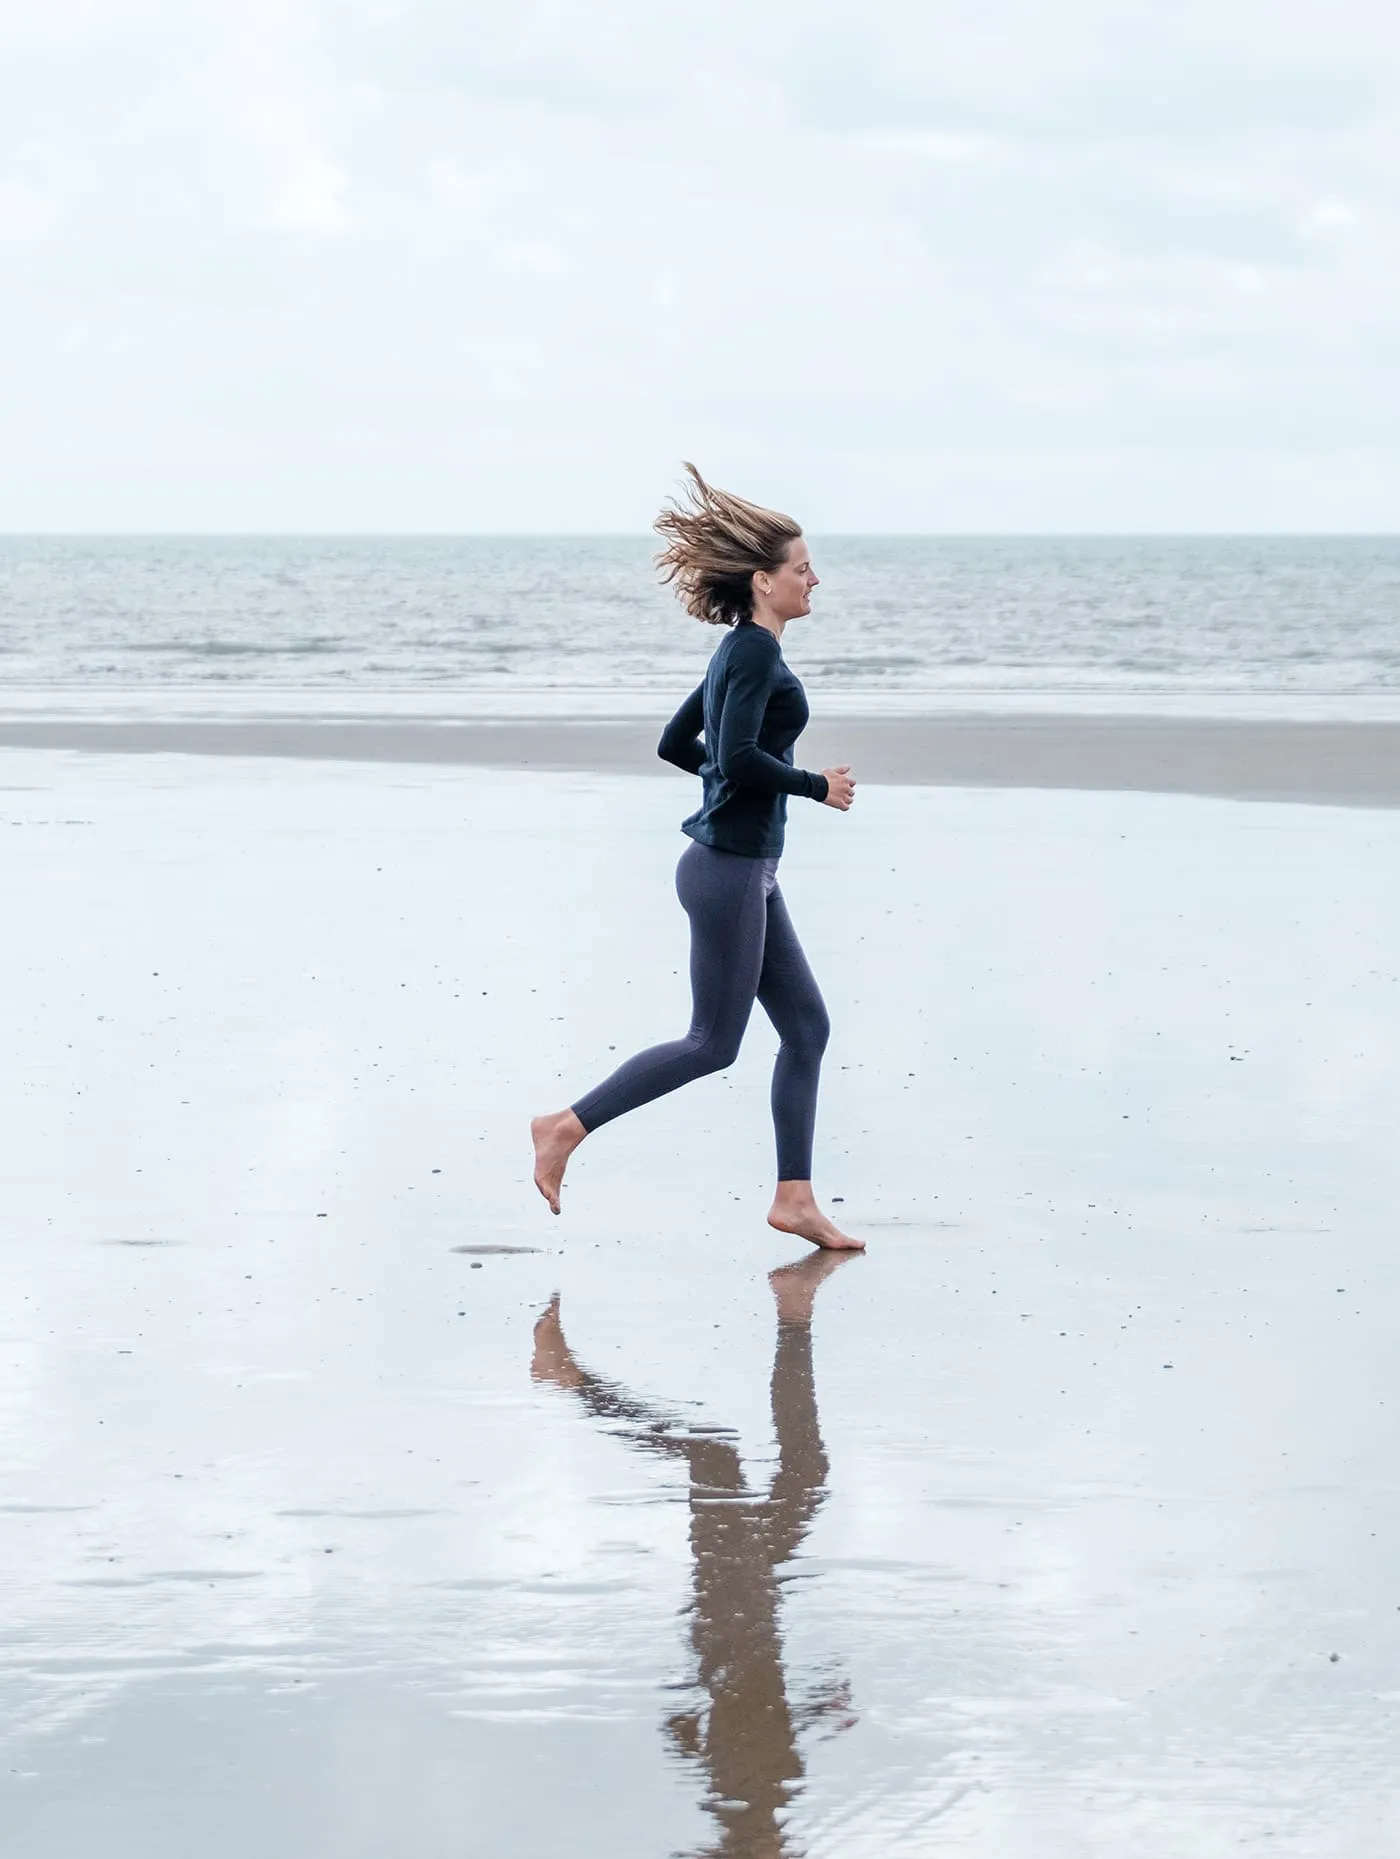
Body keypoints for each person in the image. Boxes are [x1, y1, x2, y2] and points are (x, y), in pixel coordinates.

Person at [530, 463, 862, 1252]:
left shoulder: (740, 652)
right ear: (763, 580)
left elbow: (680, 744)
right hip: (728, 870)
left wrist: (733, 786)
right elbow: (738, 756)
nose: (814, 577)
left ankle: (795, 1198)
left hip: (741, 866)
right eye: (801, 567)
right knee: (712, 1042)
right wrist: (814, 784)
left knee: (807, 1028)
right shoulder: (750, 657)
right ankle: (564, 1127)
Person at [530, 1252, 858, 1854]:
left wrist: (716, 1690)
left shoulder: (745, 1789)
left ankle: (574, 1381)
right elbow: (717, 1723)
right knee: (804, 1475)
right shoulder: (754, 1793)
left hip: (734, 1607)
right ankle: (794, 1316)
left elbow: (733, 1713)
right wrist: (813, 1708)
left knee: (714, 1456)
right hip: (745, 1610)